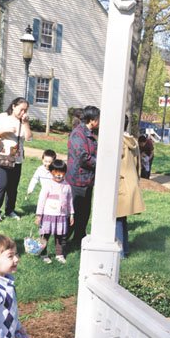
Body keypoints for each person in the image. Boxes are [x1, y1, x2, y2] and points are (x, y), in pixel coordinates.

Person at [0, 97, 32, 222]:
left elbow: (29, 138)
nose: (23, 113)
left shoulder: (23, 122)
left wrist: (26, 123)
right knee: (2, 184)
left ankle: (10, 210)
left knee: (13, 187)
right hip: (0, 156)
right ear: (13, 106)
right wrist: (5, 130)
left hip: (16, 158)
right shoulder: (2, 117)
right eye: (21, 109)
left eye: (25, 110)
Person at [66, 105, 99, 247]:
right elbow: (83, 157)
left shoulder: (92, 133)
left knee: (84, 212)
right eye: (98, 118)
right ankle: (62, 242)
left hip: (88, 180)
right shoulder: (78, 134)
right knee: (74, 212)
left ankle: (79, 239)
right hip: (77, 180)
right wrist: (101, 165)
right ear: (92, 120)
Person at [35, 159, 74, 264]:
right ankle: (43, 254)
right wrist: (39, 215)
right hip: (48, 215)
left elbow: (70, 201)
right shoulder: (48, 185)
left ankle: (59, 254)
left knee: (60, 236)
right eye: (56, 172)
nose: (59, 175)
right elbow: (41, 200)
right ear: (51, 172)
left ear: (65, 173)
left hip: (61, 216)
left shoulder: (67, 186)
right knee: (45, 235)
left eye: (61, 172)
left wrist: (71, 214)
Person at [117, 116, 145, 258]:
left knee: (116, 219)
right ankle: (125, 249)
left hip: (120, 183)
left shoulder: (118, 140)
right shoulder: (132, 140)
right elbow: (138, 164)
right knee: (121, 219)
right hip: (130, 182)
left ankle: (119, 253)